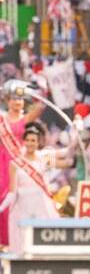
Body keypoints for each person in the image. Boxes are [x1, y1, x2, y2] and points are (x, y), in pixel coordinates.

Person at [3, 121, 69, 258]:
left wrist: (76, 132)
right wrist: (1, 207)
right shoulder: (15, 163)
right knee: (23, 243)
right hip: (22, 207)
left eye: (33, 140)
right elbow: (12, 192)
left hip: (41, 206)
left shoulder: (43, 158)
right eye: (27, 140)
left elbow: (66, 154)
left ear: (38, 142)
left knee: (42, 239)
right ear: (24, 141)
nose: (30, 143)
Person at [0, 88, 43, 251]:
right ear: (7, 101)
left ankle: (18, 239)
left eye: (20, 99)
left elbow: (40, 106)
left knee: (19, 200)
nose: (17, 102)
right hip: (2, 162)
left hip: (20, 163)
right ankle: (3, 240)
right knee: (3, 198)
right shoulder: (2, 120)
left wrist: (37, 88)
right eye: (13, 99)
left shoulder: (25, 119)